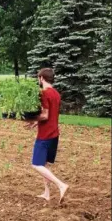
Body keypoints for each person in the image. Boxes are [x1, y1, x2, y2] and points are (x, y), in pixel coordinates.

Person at [25, 68, 69, 203]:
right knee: (44, 164)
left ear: (42, 78)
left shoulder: (44, 93)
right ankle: (47, 193)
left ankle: (61, 185)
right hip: (54, 133)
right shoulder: (56, 93)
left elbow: (45, 115)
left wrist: (32, 119)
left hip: (45, 135)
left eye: (39, 78)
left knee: (36, 165)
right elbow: (52, 115)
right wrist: (35, 124)